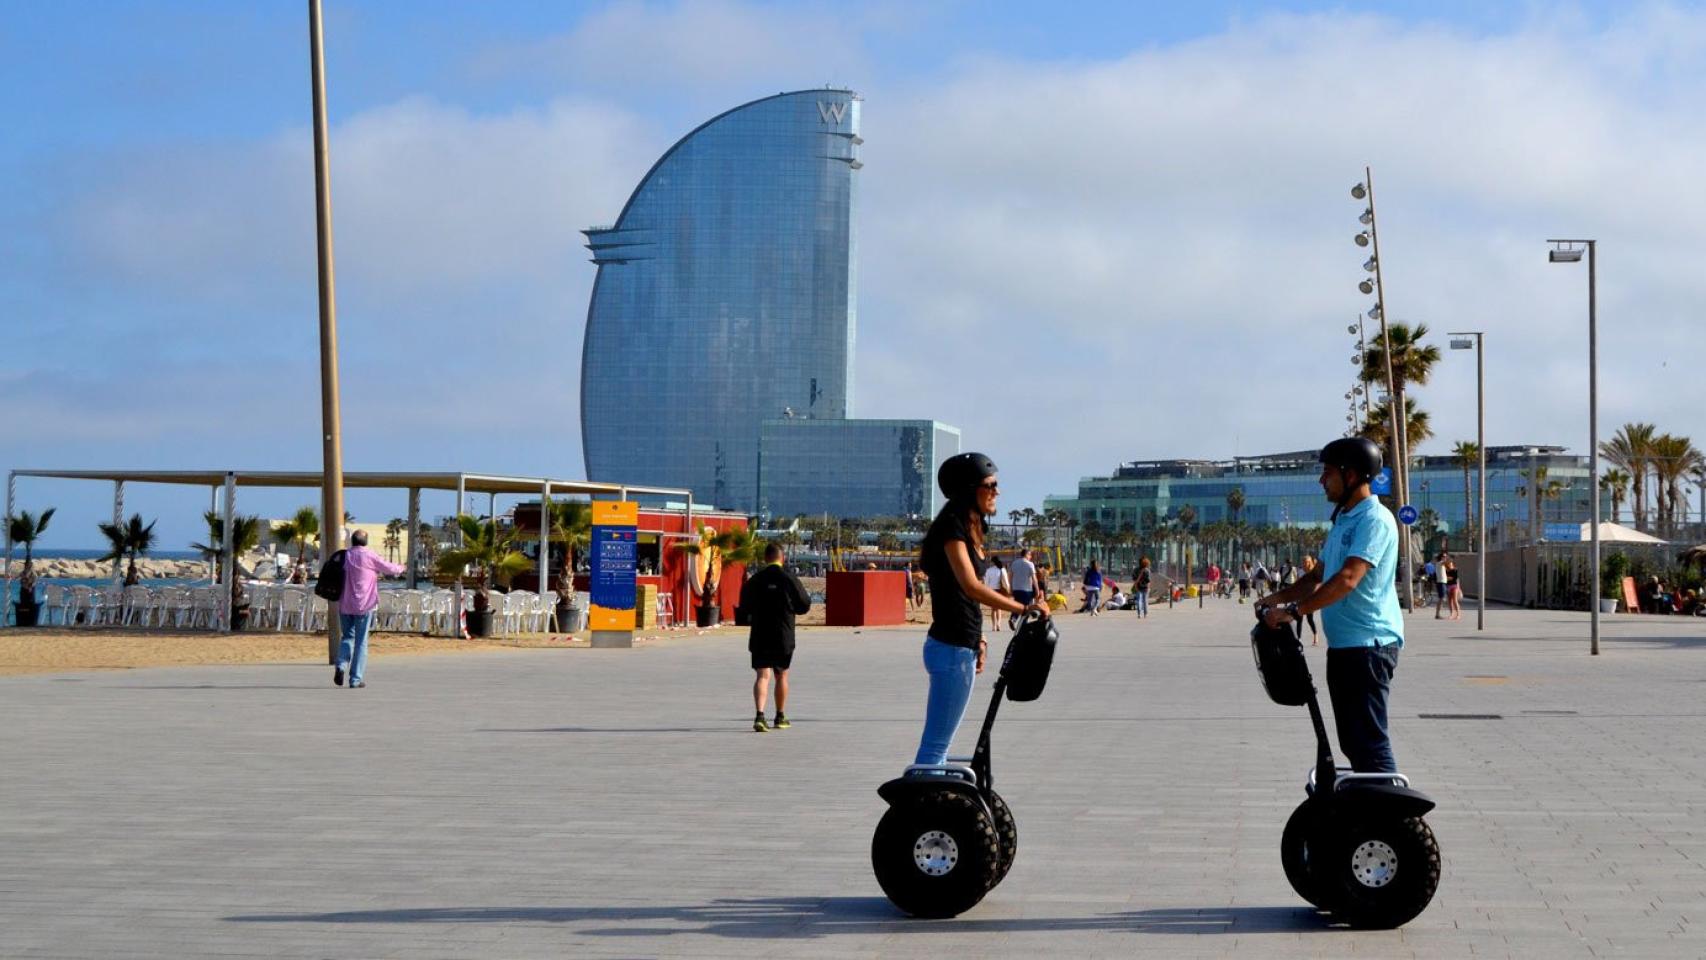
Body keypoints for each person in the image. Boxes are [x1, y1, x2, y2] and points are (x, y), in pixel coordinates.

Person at [1259, 437, 1405, 773]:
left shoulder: (1375, 520)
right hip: (1345, 647)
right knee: (1352, 742)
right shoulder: (1344, 520)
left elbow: (1349, 578)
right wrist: (1273, 600)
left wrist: (1295, 612)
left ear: (1351, 475)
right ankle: (1368, 817)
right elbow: (1317, 577)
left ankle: (1395, 823)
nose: (1321, 480)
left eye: (1327, 473)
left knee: (1370, 742)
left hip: (1370, 647)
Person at [913, 453, 1049, 767]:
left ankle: (932, 807)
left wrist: (981, 639)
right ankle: (923, 812)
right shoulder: (951, 530)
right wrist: (1023, 607)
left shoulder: (969, 528)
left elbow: (966, 600)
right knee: (935, 749)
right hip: (950, 650)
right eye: (991, 485)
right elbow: (970, 586)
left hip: (961, 646)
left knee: (939, 748)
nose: (997, 491)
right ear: (969, 489)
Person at [741, 542, 812, 732]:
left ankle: (759, 716)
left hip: (760, 633)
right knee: (782, 675)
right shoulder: (790, 578)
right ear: (783, 558)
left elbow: (743, 606)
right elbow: (805, 604)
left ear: (765, 559)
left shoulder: (755, 579)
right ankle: (780, 716)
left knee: (762, 675)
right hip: (783, 633)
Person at [334, 529, 406, 689]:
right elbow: (389, 568)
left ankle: (340, 665)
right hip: (364, 604)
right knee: (361, 642)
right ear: (365, 541)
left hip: (345, 604)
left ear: (352, 541)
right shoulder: (370, 556)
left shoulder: (345, 555)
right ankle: (355, 679)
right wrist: (402, 567)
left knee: (347, 637)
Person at [1007, 548, 1039, 629]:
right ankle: (1020, 622)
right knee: (1025, 607)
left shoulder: (1014, 563)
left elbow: (1010, 576)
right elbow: (1034, 578)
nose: (1031, 557)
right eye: (1030, 555)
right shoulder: (1030, 564)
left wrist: (1010, 587)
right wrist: (1037, 589)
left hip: (1016, 589)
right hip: (1026, 589)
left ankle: (1014, 619)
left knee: (1018, 605)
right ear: (1027, 554)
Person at [983, 555, 1011, 631]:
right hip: (1000, 591)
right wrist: (1008, 589)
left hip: (991, 591)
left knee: (993, 609)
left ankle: (994, 626)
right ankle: (998, 624)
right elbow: (1006, 582)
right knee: (999, 608)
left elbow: (986, 583)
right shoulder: (1002, 569)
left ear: (992, 562)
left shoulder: (989, 570)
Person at [1299, 555, 1321, 644]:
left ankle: (1315, 635)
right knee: (1299, 619)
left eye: (1307, 562)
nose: (1305, 564)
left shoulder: (1314, 573)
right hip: (1301, 598)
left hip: (1310, 599)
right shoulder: (1300, 572)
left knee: (1309, 619)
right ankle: (1298, 638)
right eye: (1304, 562)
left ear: (1310, 562)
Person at [1444, 554, 1462, 620]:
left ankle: (1458, 614)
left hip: (1454, 586)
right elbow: (1446, 578)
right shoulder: (1445, 570)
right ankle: (1452, 614)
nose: (1450, 564)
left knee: (1455, 600)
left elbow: (1455, 579)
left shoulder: (1455, 570)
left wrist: (1459, 588)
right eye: (1449, 563)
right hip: (1448, 586)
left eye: (1451, 563)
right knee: (1450, 601)